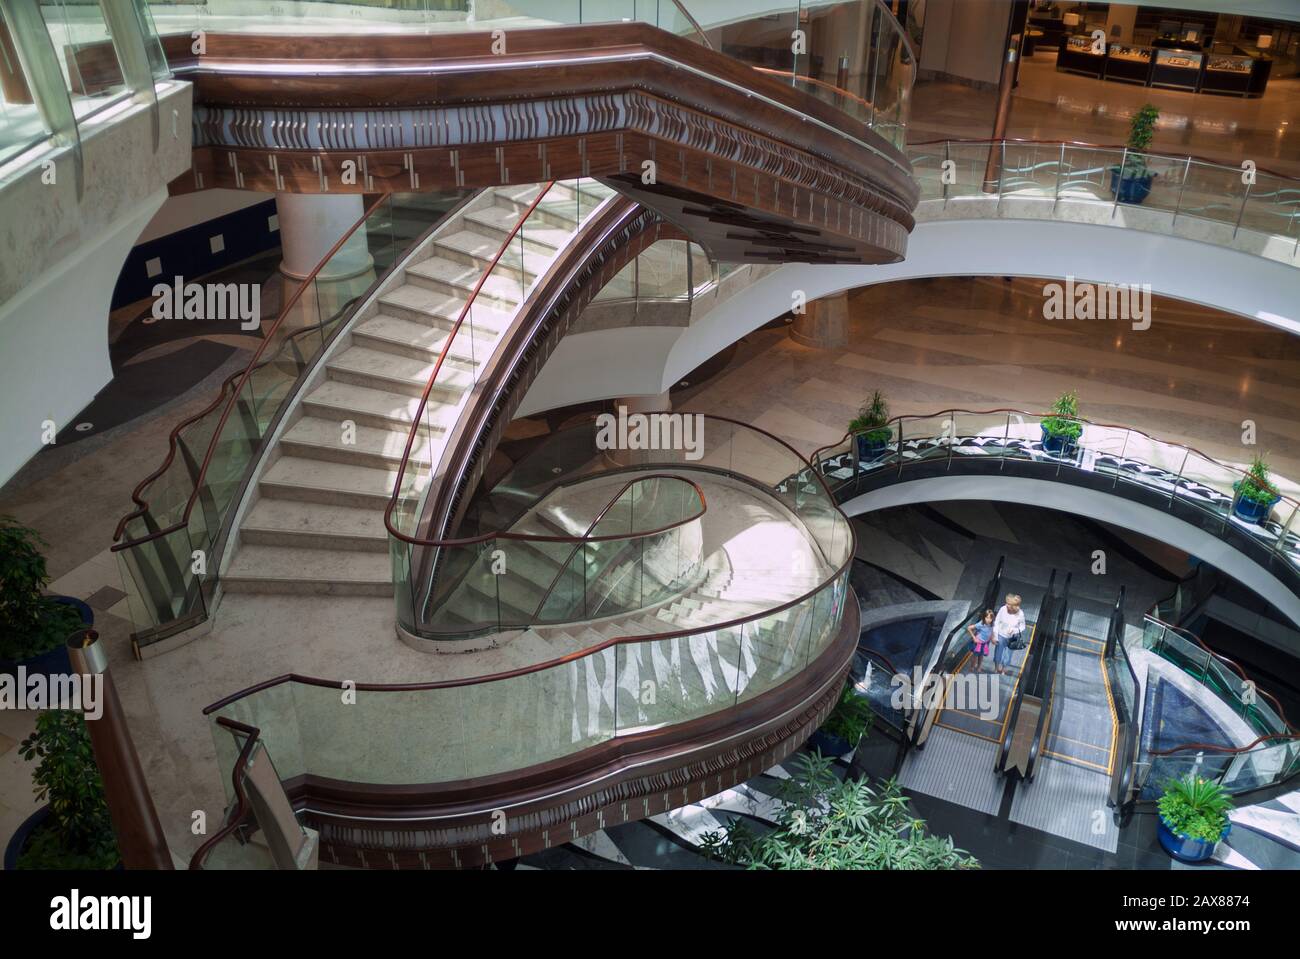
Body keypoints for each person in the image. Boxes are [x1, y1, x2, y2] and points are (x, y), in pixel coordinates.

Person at [992, 593, 1026, 675]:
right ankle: (996, 668)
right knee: (998, 653)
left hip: (1012, 637)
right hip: (1001, 635)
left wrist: (1014, 630)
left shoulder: (1020, 613)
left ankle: (1004, 669)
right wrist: (995, 636)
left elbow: (1023, 626)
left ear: (1014, 606)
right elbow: (996, 622)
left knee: (1008, 654)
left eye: (1009, 604)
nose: (1006, 605)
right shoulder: (1003, 609)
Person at [967, 609, 995, 673]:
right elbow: (969, 628)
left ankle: (979, 666)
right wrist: (974, 637)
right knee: (975, 655)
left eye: (990, 618)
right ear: (984, 617)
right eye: (987, 617)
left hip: (985, 643)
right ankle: (972, 666)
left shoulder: (992, 624)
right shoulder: (981, 624)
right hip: (978, 643)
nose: (988, 620)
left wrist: (992, 638)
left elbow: (991, 631)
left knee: (981, 655)